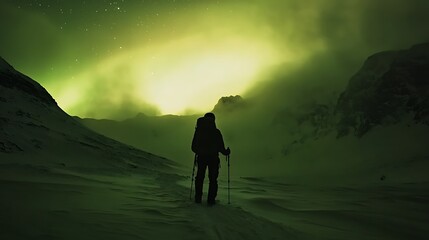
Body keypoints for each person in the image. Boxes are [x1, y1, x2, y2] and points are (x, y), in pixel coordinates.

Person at [191, 112, 230, 205]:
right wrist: (227, 152)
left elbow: (193, 147)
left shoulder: (199, 131)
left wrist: (199, 151)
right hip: (213, 159)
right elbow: (221, 148)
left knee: (200, 178)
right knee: (213, 180)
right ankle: (211, 200)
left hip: (201, 158)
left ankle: (198, 198)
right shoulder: (216, 132)